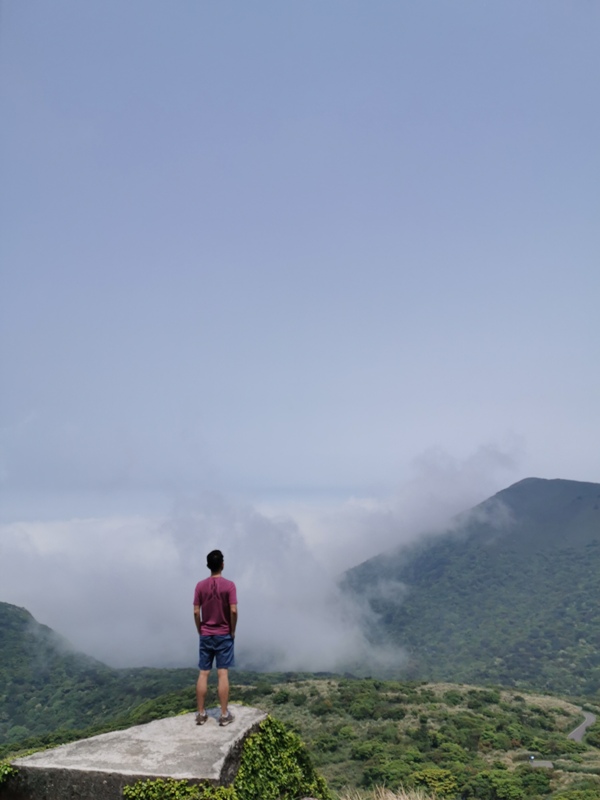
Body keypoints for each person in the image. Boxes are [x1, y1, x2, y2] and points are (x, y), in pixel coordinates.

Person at [193, 549, 238, 726]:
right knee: (222, 673)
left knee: (203, 673)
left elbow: (196, 611)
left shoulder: (200, 586)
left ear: (208, 566)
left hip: (206, 633)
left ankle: (201, 713)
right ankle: (224, 715)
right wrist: (232, 629)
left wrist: (200, 629)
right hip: (223, 633)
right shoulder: (229, 586)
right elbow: (233, 610)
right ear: (222, 565)